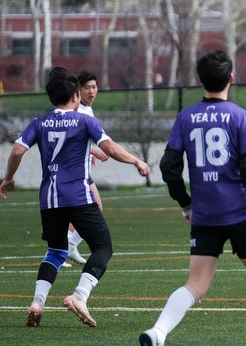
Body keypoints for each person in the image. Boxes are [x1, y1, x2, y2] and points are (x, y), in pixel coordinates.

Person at [140, 51, 246, 346]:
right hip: (239, 211)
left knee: (196, 284)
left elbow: (169, 168)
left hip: (204, 214)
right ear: (231, 78)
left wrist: (185, 202)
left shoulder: (185, 117)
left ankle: (159, 331)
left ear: (199, 79)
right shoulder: (240, 116)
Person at [0, 67, 150, 328]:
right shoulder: (84, 121)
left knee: (55, 251)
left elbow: (15, 151)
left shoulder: (40, 123)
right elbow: (110, 148)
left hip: (49, 200)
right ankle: (80, 296)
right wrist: (136, 160)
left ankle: (37, 302)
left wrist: (9, 178)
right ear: (75, 96)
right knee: (103, 248)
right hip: (79, 197)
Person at [64, 70, 108, 266]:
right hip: (73, 171)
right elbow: (69, 139)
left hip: (79, 170)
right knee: (94, 207)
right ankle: (65, 247)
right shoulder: (78, 111)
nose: (92, 91)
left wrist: (88, 153)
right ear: (78, 90)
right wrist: (94, 151)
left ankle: (68, 247)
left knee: (78, 212)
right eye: (87, 87)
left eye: (94, 87)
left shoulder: (87, 110)